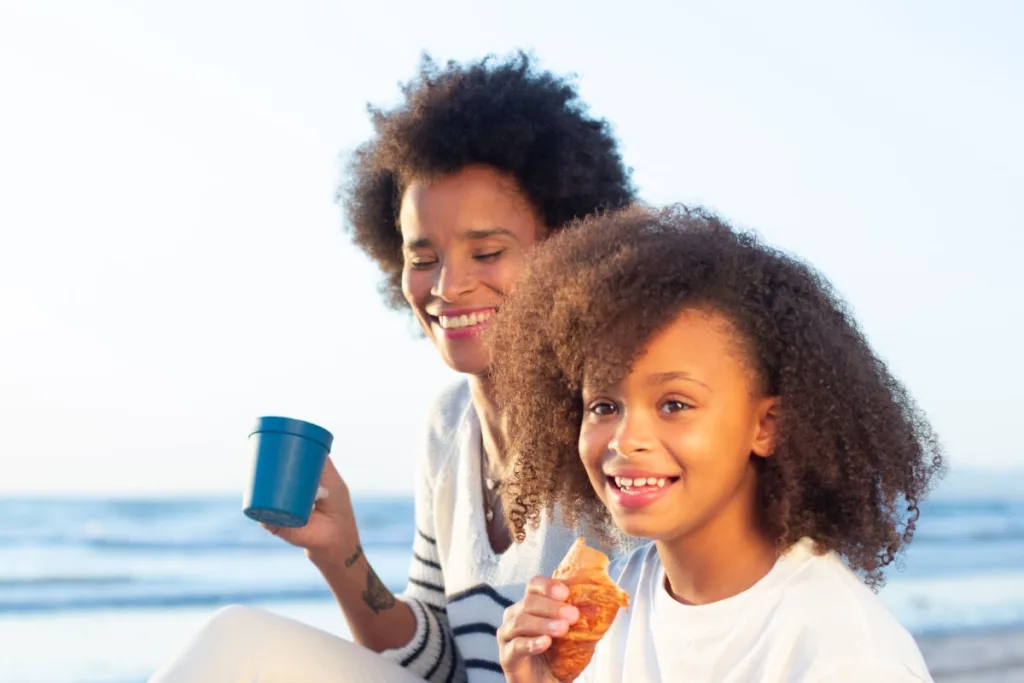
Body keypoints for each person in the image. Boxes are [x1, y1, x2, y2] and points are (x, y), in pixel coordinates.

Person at [148, 51, 636, 683]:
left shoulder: (616, 423)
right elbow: (439, 667)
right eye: (422, 256)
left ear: (568, 249)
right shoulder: (447, 425)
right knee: (235, 642)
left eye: (486, 251)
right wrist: (340, 552)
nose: (448, 286)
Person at [490, 205, 946, 683]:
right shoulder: (612, 606)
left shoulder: (846, 657)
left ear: (766, 425)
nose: (626, 440)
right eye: (604, 406)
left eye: (675, 404)